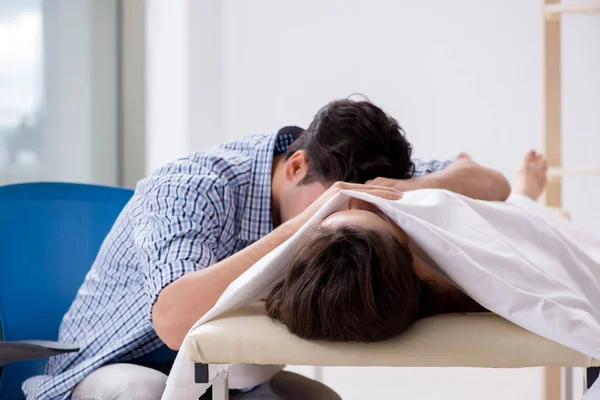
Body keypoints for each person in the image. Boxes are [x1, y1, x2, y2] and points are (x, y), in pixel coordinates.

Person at [24, 98, 510, 400]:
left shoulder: (354, 173)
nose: (342, 220)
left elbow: (493, 184)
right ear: (296, 166)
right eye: (336, 204)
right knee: (140, 392)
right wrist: (306, 225)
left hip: (219, 373)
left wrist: (413, 185)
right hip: (113, 369)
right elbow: (173, 322)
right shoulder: (193, 185)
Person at [266, 150, 549, 343]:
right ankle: (526, 194)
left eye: (330, 212)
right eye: (377, 212)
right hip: (513, 224)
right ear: (409, 252)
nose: (356, 197)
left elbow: (491, 182)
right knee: (515, 209)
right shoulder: (468, 272)